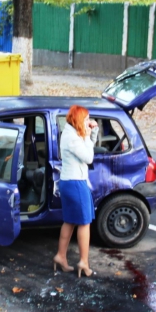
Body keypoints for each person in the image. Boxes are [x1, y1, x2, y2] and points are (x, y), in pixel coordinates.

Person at [53, 105, 99, 277]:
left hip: (69, 182)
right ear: (79, 120)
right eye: (86, 119)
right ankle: (83, 262)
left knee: (70, 221)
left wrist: (92, 133)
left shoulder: (71, 133)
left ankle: (60, 256)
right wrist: (87, 135)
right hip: (76, 183)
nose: (89, 121)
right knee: (84, 223)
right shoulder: (73, 138)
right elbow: (88, 157)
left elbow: (88, 148)